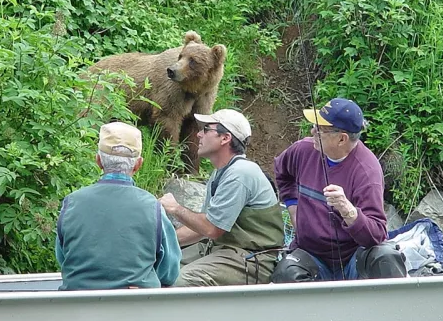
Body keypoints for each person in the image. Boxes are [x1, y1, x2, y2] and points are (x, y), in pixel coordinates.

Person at [159, 109, 285, 286]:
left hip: (250, 258)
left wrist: (175, 208)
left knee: (178, 282)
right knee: (160, 268)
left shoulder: (240, 174)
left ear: (225, 138)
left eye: (206, 129)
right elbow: (200, 228)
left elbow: (211, 229)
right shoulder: (222, 172)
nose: (198, 134)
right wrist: (162, 243)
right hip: (223, 250)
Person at [274, 98, 388, 280]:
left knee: (385, 258)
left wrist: (348, 211)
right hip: (310, 254)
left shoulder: (367, 172)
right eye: (314, 126)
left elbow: (376, 235)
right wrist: (293, 206)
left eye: (320, 130)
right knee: (286, 272)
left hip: (353, 258)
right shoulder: (302, 150)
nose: (312, 132)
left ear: (342, 139)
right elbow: (282, 172)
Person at [56, 122, 180, 290]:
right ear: (138, 164)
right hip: (136, 305)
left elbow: (63, 258)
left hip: (78, 306)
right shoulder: (153, 207)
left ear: (98, 161)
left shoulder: (71, 202)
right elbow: (169, 272)